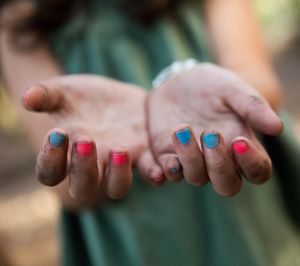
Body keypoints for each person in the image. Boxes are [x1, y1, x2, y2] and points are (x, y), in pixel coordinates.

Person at [1, 0, 300, 265]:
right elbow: (66, 187)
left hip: (242, 218)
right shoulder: (20, 16)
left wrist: (203, 84)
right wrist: (89, 162)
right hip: (136, 240)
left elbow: (260, 82)